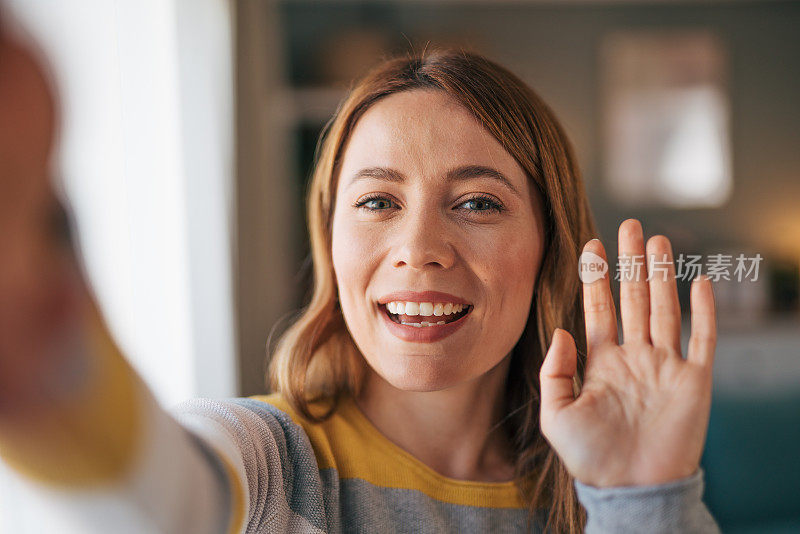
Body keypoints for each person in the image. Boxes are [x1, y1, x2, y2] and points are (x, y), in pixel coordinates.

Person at [0, 17, 720, 533]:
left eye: (476, 203)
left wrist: (642, 500)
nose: (419, 248)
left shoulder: (608, 490)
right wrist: (52, 356)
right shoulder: (270, 461)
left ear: (549, 246)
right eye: (378, 201)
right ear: (332, 241)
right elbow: (162, 502)